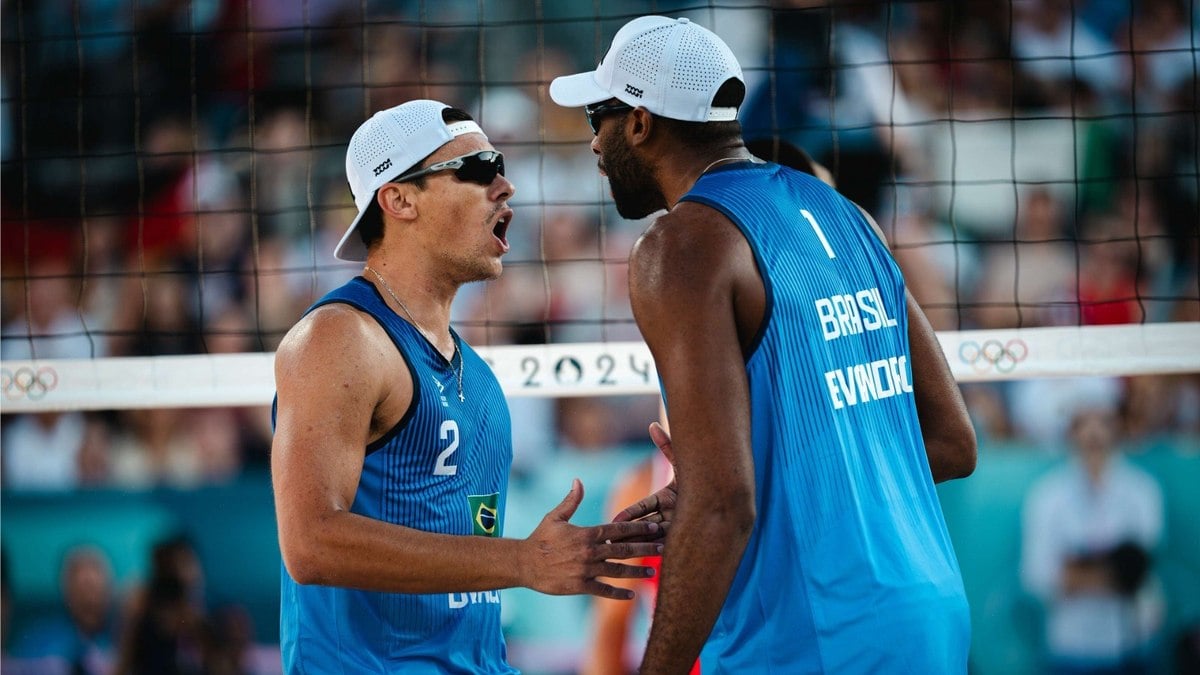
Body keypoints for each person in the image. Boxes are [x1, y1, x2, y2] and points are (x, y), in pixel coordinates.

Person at [550, 16, 977, 673]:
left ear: (638, 121)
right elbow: (952, 442)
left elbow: (724, 504)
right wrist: (744, 487)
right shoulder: (847, 213)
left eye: (596, 121)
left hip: (815, 632)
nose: (593, 146)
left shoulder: (681, 246)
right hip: (929, 610)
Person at [270, 99, 662, 673]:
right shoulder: (340, 337)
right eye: (478, 168)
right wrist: (524, 562)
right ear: (399, 199)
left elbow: (467, 587)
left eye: (500, 166)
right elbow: (311, 543)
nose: (505, 186)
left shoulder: (477, 378)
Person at [1021, 404, 1165, 673]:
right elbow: (1038, 576)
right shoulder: (1047, 496)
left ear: (1118, 427)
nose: (1094, 433)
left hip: (1135, 641)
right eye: (1084, 423)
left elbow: (1139, 569)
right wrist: (1115, 569)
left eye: (1104, 421)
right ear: (1071, 432)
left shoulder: (1143, 490)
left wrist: (1077, 570)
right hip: (1072, 645)